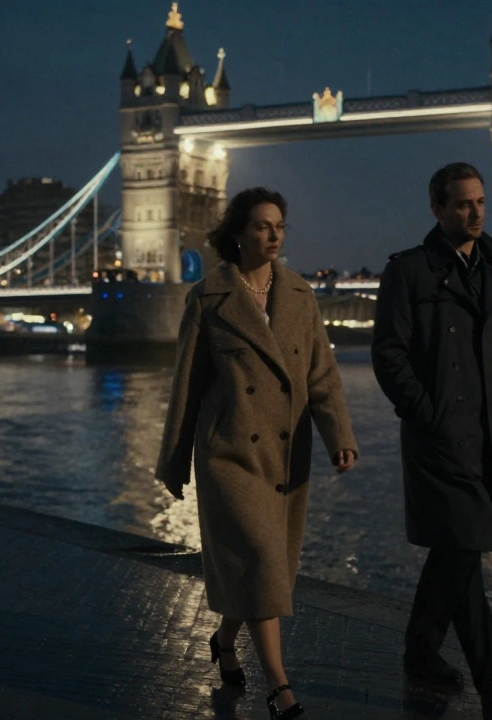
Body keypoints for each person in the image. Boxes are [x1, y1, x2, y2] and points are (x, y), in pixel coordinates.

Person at [156, 187, 359, 720]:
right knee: (265, 562)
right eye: (263, 227)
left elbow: (320, 376)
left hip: (285, 456)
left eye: (280, 227)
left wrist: (340, 435)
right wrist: (174, 461)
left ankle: (225, 640)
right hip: (230, 455)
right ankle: (279, 685)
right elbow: (187, 386)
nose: (274, 235)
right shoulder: (209, 297)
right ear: (240, 233)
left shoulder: (299, 295)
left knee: (260, 570)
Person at [370, 162, 492, 719]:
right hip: (442, 440)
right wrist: (427, 414)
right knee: (464, 545)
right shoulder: (410, 273)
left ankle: (421, 651)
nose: (475, 213)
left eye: (480, 202)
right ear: (437, 208)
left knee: (455, 552)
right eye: (462, 204)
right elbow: (389, 354)